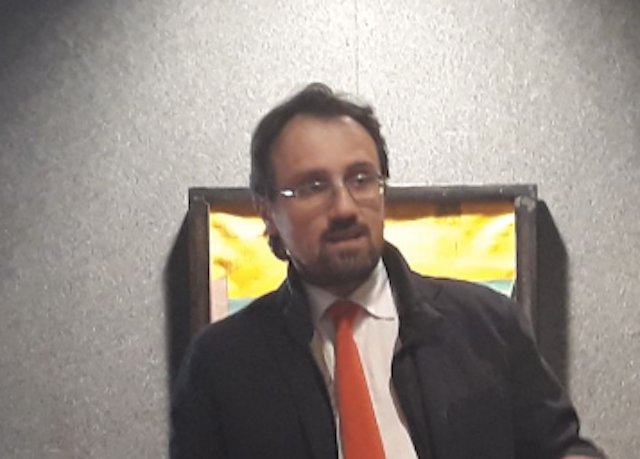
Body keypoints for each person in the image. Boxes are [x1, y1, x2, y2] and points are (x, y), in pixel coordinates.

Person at [170, 83, 606, 459]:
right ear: (267, 212)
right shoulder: (221, 363)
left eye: (361, 179)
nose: (344, 207)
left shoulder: (487, 325)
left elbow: (561, 448)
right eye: (313, 186)